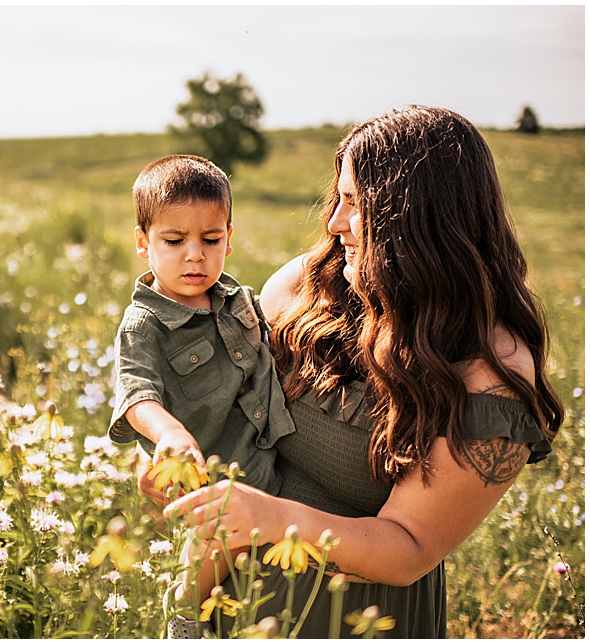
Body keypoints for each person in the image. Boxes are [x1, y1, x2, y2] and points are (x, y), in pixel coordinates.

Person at [153, 106, 562, 638]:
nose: (333, 223)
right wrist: (177, 459)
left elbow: (410, 547)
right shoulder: (306, 289)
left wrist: (273, 519)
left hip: (354, 622)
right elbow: (231, 413)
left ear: (416, 219)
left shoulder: (491, 379)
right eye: (338, 198)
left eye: (355, 204)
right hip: (219, 604)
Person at [108, 153, 294, 523]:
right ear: (143, 243)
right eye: (175, 241)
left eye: (211, 239)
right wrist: (170, 433)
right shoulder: (143, 325)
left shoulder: (236, 298)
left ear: (228, 240)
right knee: (200, 580)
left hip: (271, 475)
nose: (196, 255)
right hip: (209, 491)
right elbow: (136, 395)